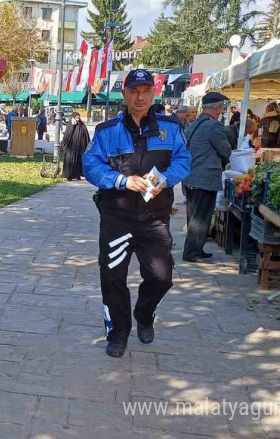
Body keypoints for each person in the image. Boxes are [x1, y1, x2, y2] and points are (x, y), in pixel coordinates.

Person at [82, 69, 191, 358]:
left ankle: (144, 314)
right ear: (125, 94)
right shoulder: (107, 131)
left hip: (155, 218)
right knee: (113, 277)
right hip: (117, 219)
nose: (139, 97)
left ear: (153, 93)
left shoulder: (170, 127)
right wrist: (122, 180)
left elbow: (183, 161)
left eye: (145, 90)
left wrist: (165, 179)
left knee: (161, 277)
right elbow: (90, 165)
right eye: (134, 91)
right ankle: (118, 333)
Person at [182, 92, 233, 263]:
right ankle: (192, 253)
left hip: (191, 176)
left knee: (193, 216)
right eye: (221, 107)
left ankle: (196, 249)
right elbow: (225, 150)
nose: (222, 111)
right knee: (201, 218)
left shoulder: (196, 123)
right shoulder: (214, 126)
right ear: (216, 107)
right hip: (204, 177)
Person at [61, 112, 90, 180]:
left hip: (80, 148)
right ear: (73, 117)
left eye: (78, 117)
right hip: (71, 148)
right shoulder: (70, 125)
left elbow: (86, 135)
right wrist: (73, 126)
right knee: (71, 161)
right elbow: (67, 136)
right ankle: (69, 176)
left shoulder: (82, 125)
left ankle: (78, 175)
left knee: (78, 162)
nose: (78, 119)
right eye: (76, 118)